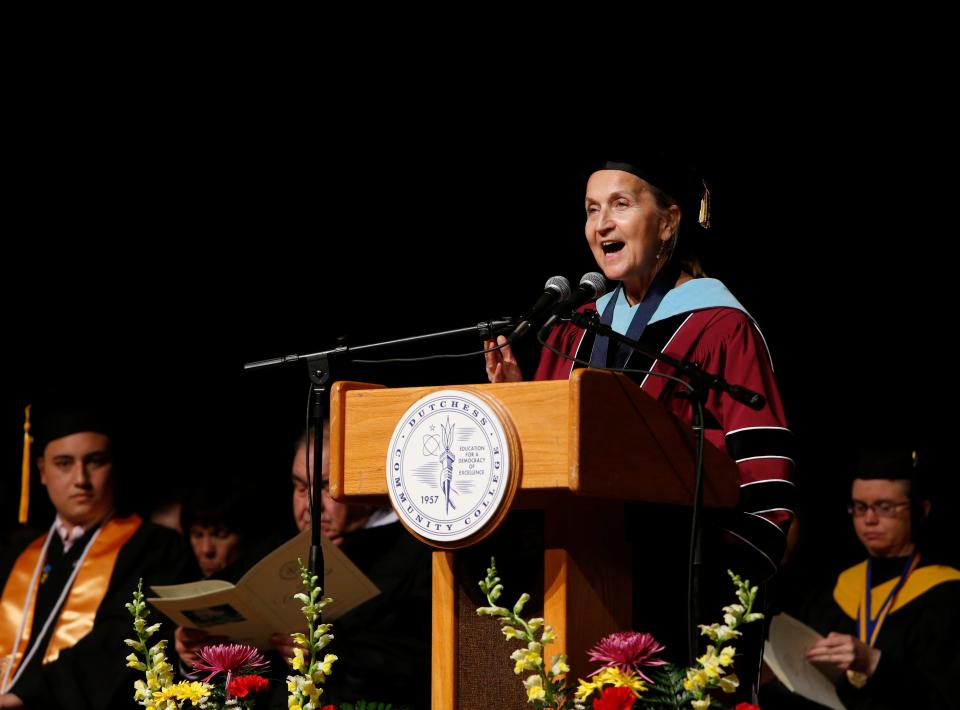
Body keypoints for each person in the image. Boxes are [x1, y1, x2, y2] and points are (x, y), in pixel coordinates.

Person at [484, 155, 795, 692]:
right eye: (590, 210)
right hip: (576, 579)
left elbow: (765, 478)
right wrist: (518, 406)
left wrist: (727, 582)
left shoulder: (720, 327)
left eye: (620, 205)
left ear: (670, 221)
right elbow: (552, 463)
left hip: (685, 585)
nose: (600, 224)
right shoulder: (571, 332)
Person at [175, 422, 432, 708]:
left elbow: (422, 660)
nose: (310, 505)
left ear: (367, 484)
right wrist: (194, 650)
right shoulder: (272, 549)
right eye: (299, 487)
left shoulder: (417, 555)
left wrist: (329, 652)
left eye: (325, 487)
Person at [0, 409, 189, 709]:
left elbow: (119, 640)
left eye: (95, 462)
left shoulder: (155, 548)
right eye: (64, 463)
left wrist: (25, 697)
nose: (81, 479)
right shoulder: (16, 555)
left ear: (114, 467)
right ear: (42, 471)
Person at [773, 448, 960, 709]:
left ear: (921, 510)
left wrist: (874, 663)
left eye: (885, 507)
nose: (869, 519)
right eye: (860, 507)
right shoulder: (833, 590)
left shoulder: (946, 595)